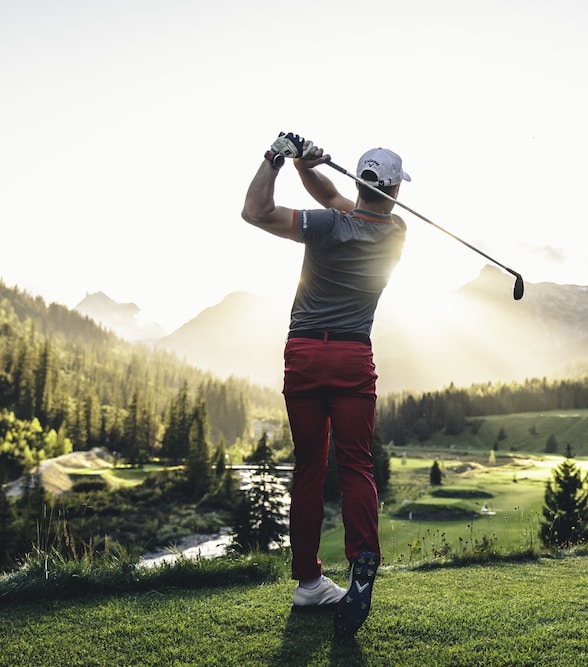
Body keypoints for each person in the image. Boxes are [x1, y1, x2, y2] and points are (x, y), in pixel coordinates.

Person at [241, 131, 409, 638]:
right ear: (395, 191)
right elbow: (337, 198)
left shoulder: (325, 225)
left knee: (310, 467)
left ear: (360, 182)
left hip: (306, 355)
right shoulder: (396, 231)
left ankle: (309, 582)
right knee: (356, 465)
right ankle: (363, 557)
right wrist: (305, 166)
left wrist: (277, 158)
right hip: (354, 356)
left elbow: (255, 212)